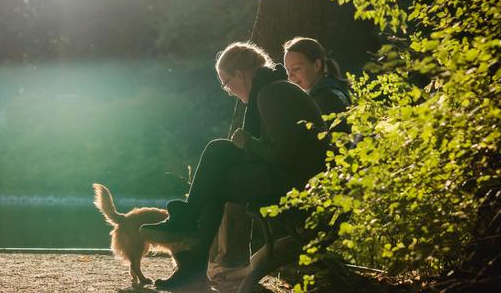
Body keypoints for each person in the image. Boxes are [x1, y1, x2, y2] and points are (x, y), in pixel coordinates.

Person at [140, 41, 329, 289]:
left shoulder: (273, 94)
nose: (228, 91)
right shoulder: (273, 89)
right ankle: (189, 237)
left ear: (239, 75)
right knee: (218, 160)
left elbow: (283, 155)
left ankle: (190, 243)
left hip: (296, 185)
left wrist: (247, 142)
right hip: (294, 178)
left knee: (217, 161)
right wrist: (245, 144)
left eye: (226, 83)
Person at [283, 37, 351, 117]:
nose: (290, 76)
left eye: (296, 68)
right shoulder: (333, 88)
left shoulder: (326, 99)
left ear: (317, 65)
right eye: (287, 70)